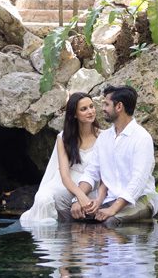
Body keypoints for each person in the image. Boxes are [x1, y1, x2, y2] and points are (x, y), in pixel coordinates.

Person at [55, 84, 158, 226]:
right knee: (62, 199)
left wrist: (112, 209)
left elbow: (138, 182)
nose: (102, 108)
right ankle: (78, 242)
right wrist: (77, 199)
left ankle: (95, 236)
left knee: (109, 221)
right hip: (107, 198)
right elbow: (92, 173)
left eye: (106, 104)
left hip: (139, 200)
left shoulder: (142, 138)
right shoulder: (104, 138)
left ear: (119, 107)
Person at [19, 92, 100, 227]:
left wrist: (81, 196)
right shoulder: (63, 138)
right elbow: (64, 176)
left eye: (91, 106)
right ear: (74, 114)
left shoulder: (103, 137)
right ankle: (47, 244)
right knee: (43, 198)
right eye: (84, 109)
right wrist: (79, 196)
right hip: (66, 181)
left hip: (90, 183)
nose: (90, 111)